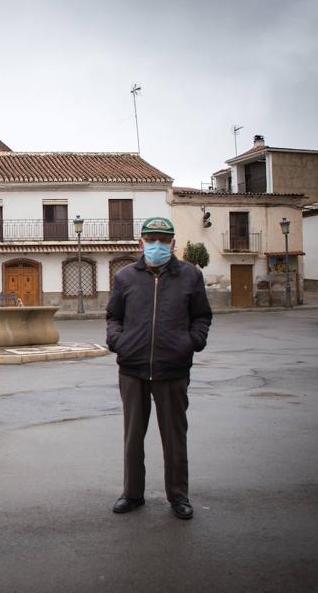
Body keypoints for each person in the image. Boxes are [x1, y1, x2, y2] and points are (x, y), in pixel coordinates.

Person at [105, 217, 212, 520]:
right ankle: (132, 494)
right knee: (132, 437)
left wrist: (191, 343)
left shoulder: (190, 276)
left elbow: (202, 316)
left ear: (173, 243)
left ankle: (178, 496)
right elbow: (113, 316)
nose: (157, 245)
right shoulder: (125, 277)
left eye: (163, 240)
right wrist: (118, 341)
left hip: (173, 370)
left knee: (175, 437)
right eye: (151, 240)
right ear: (141, 243)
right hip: (132, 369)